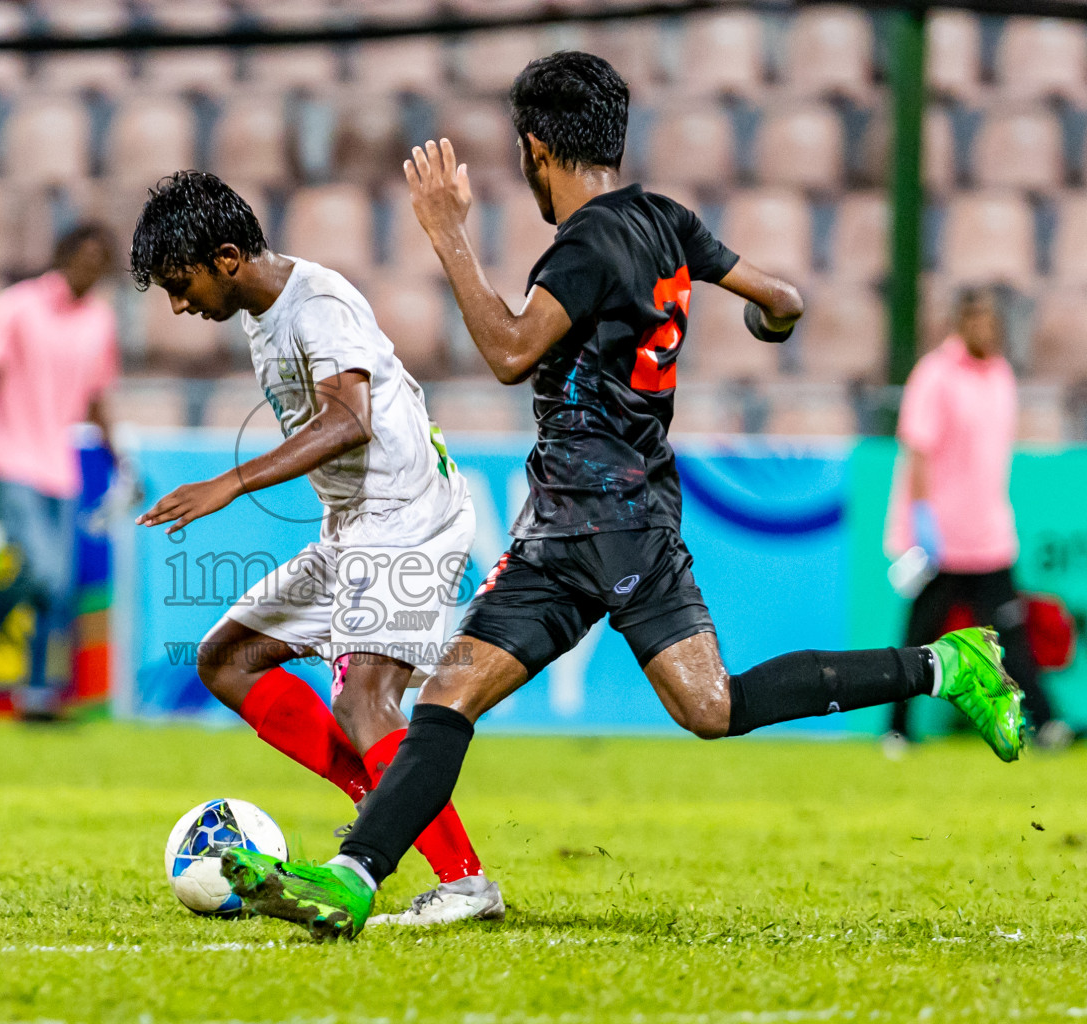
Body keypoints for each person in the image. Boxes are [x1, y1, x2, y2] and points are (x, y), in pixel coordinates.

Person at [220, 51, 1024, 941]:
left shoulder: (588, 243)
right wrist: (768, 317)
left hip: (614, 521)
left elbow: (510, 351)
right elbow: (782, 297)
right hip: (575, 523)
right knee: (453, 697)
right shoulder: (667, 221)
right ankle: (352, 879)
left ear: (534, 149)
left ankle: (950, 666)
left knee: (708, 707)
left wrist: (449, 232)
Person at [131, 171, 502, 926]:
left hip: (408, 518)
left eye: (180, 284)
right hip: (352, 527)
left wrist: (230, 482)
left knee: (365, 699)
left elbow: (349, 420)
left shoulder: (319, 307)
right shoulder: (260, 314)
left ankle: (465, 884)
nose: (177, 305)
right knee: (224, 659)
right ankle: (384, 799)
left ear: (227, 257)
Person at [0, 223, 119, 721]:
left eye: (101, 262)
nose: (91, 269)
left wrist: (119, 456)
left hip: (60, 467)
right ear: (62, 256)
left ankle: (27, 693)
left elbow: (96, 397)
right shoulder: (17, 306)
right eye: (84, 258)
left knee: (54, 589)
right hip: (7, 460)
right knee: (44, 572)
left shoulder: (100, 320)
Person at [885, 286, 1070, 752]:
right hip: (943, 538)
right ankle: (898, 728)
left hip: (988, 536)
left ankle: (1045, 723)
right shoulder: (934, 375)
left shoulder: (1002, 375)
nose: (986, 329)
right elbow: (919, 452)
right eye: (977, 321)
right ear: (960, 323)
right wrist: (923, 520)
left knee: (1013, 634)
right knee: (920, 637)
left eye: (992, 321)